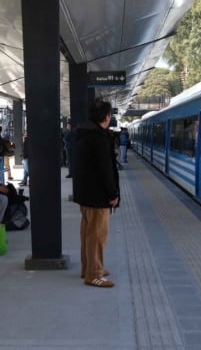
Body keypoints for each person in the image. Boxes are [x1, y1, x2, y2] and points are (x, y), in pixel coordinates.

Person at [73, 100, 120, 288]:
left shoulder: (83, 134)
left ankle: (89, 267)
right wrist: (112, 194)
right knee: (98, 235)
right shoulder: (98, 138)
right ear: (106, 117)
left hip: (86, 194)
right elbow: (105, 169)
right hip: (97, 196)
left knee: (88, 233)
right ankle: (94, 274)